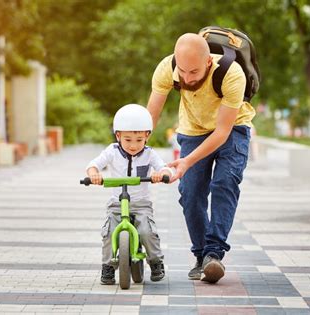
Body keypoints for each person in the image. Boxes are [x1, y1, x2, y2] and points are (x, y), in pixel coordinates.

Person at [147, 33, 255, 283]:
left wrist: (186, 161)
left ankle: (213, 253)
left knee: (224, 183)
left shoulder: (231, 73)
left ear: (208, 63)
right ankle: (202, 257)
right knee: (191, 193)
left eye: (193, 72)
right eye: (182, 71)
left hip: (233, 129)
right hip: (193, 129)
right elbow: (150, 117)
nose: (186, 78)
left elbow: (221, 132)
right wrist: (136, 147)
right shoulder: (167, 68)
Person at [86, 104, 172, 285]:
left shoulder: (149, 154)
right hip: (117, 203)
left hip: (141, 204)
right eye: (128, 139)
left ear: (147, 136)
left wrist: (161, 174)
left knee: (147, 231)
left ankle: (156, 261)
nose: (134, 145)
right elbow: (94, 164)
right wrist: (94, 173)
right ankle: (108, 266)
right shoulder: (112, 151)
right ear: (118, 136)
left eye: (139, 140)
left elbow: (165, 168)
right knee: (109, 233)